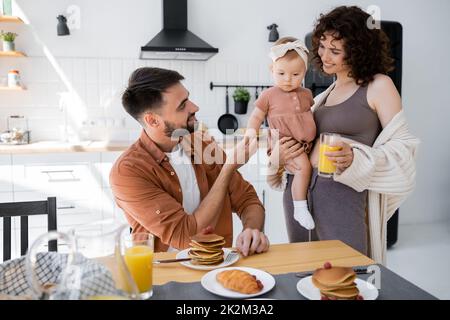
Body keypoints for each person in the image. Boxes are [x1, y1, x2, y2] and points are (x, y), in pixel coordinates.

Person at [267, 6, 419, 264]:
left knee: (347, 275)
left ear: (359, 52)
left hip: (340, 199)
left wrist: (356, 158)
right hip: (299, 197)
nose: (325, 55)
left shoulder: (378, 86)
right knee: (304, 274)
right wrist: (280, 155)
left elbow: (404, 148)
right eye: (323, 46)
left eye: (335, 50)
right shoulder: (325, 93)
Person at [110, 67, 270, 256]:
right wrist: (228, 169)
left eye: (188, 98)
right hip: (163, 274)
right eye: (182, 105)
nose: (194, 107)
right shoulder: (128, 172)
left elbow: (247, 200)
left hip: (217, 265)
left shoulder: (201, 143)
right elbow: (186, 237)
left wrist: (251, 230)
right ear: (153, 121)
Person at [246, 36, 316, 232]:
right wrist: (251, 134)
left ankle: (303, 202)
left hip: (304, 143)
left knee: (306, 169)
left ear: (304, 73)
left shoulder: (306, 94)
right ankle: (299, 207)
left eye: (295, 74)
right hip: (285, 142)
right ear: (272, 70)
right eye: (282, 73)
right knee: (303, 168)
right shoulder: (268, 95)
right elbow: (256, 117)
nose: (288, 79)